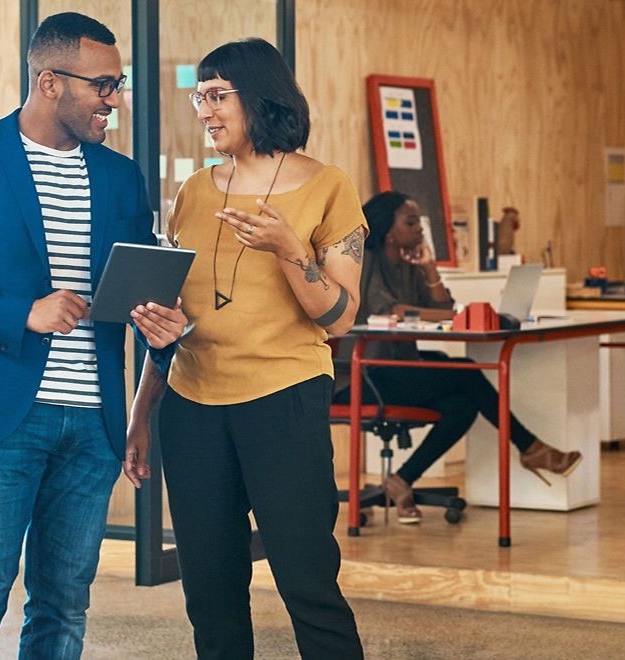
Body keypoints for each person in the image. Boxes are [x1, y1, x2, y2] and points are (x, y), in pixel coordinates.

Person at [0, 12, 186, 660]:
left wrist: (161, 326)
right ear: (49, 80)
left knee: (63, 603)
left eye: (118, 84)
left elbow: (130, 293)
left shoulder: (119, 176)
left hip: (91, 425)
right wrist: (20, 311)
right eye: (103, 85)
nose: (114, 99)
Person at [124, 38, 365, 659]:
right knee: (209, 589)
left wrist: (290, 250)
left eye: (217, 96)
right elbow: (176, 325)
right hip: (192, 405)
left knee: (306, 579)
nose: (204, 110)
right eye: (198, 96)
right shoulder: (194, 192)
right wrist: (142, 414)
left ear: (260, 97)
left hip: (283, 401)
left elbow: (339, 318)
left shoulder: (327, 187)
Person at [343, 190, 582, 523]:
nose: (419, 231)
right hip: (367, 375)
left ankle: (401, 480)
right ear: (387, 230)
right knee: (468, 371)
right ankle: (530, 448)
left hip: (398, 369)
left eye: (419, 224)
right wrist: (448, 316)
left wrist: (429, 269)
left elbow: (442, 309)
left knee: (463, 405)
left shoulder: (409, 264)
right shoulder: (366, 262)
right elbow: (391, 310)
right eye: (410, 223)